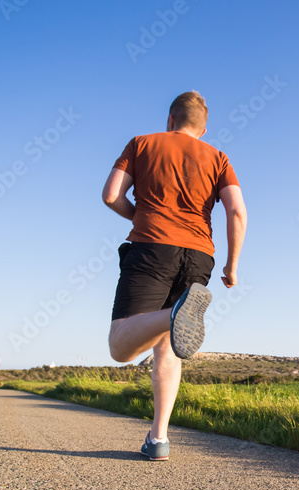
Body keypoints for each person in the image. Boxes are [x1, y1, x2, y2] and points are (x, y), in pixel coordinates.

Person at [102, 91, 247, 461]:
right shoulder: (219, 158)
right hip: (200, 256)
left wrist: (139, 215)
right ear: (203, 129)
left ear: (170, 119)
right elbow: (236, 212)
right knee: (168, 345)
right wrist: (231, 265)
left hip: (151, 247)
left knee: (120, 346)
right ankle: (158, 439)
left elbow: (111, 195)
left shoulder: (142, 143)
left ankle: (174, 313)